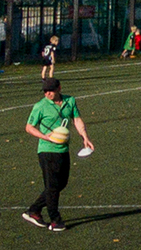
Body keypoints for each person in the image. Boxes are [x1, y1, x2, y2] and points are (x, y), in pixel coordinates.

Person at [22, 76, 94, 231]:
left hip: (63, 149)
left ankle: (34, 210)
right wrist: (45, 137)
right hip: (47, 150)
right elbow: (29, 127)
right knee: (52, 185)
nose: (47, 93)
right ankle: (55, 220)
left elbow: (77, 120)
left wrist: (85, 137)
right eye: (45, 91)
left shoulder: (70, 101)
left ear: (59, 88)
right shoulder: (40, 106)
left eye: (50, 91)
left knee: (61, 183)